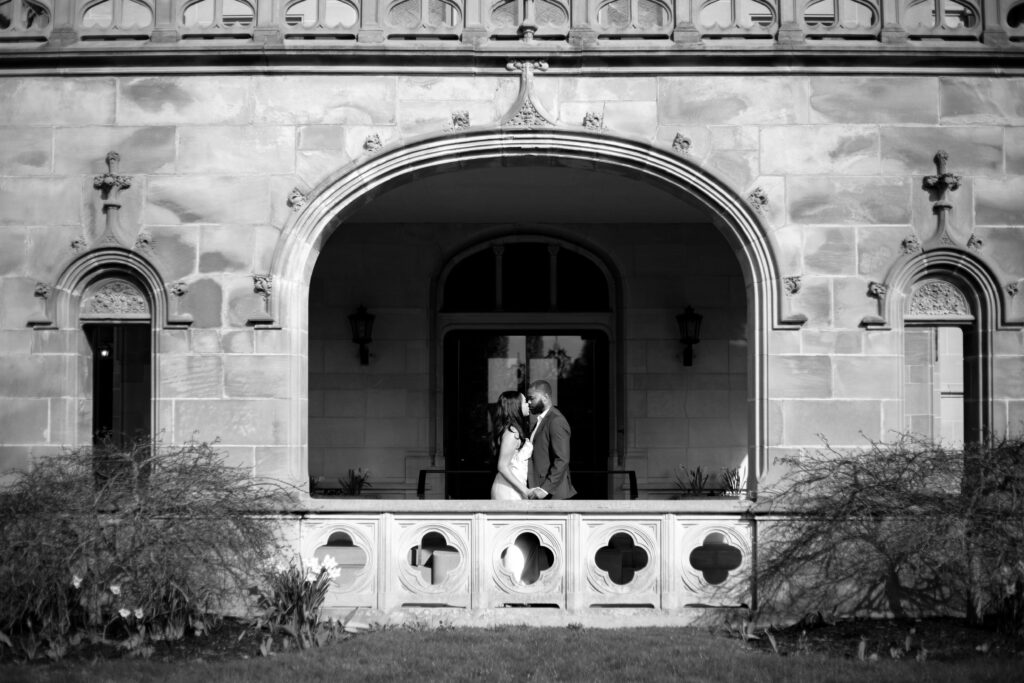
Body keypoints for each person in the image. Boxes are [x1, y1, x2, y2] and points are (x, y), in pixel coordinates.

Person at [525, 380, 577, 500]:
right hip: (539, 491)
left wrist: (545, 489)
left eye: (532, 398)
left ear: (545, 397)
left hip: (553, 494)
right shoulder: (541, 421)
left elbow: (562, 459)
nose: (528, 402)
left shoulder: (556, 421)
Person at [489, 390, 533, 500]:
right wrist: (525, 490)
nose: (528, 404)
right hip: (509, 490)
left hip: (513, 487)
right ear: (515, 406)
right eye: (524, 402)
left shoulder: (512, 430)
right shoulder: (512, 433)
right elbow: (502, 466)